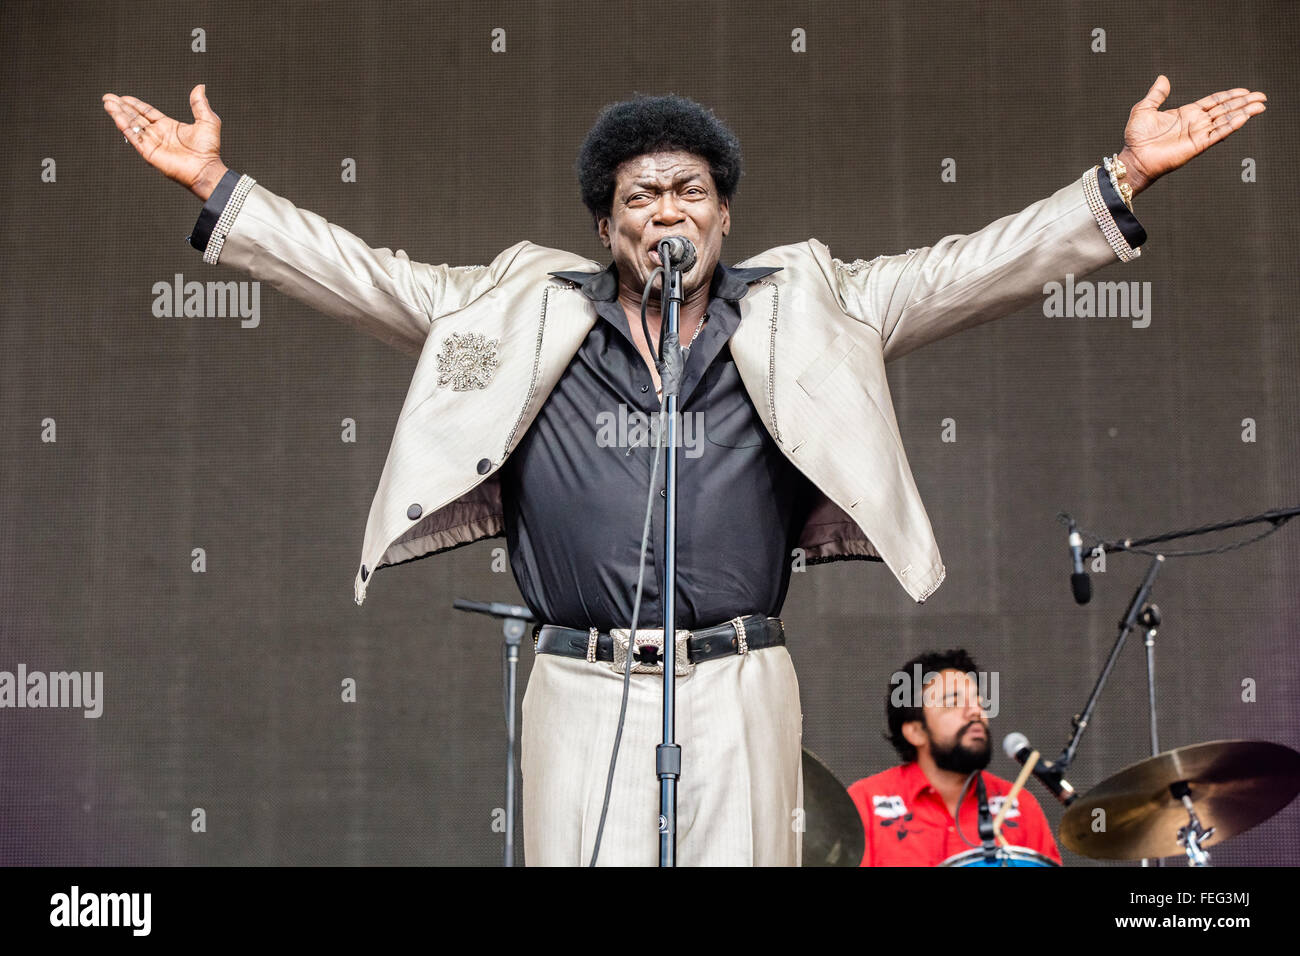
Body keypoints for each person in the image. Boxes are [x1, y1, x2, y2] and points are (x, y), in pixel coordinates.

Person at [101, 79, 1264, 866]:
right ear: (607, 229)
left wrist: (1118, 178)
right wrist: (219, 191)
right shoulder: (516, 305)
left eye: (691, 190)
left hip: (740, 675)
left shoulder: (811, 301)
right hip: (576, 676)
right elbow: (359, 272)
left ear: (723, 214)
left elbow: (973, 267)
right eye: (641, 195)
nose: (669, 208)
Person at [848, 648, 1062, 866]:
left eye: (978, 701)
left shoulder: (1019, 805)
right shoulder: (866, 803)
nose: (975, 711)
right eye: (953, 702)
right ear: (916, 732)